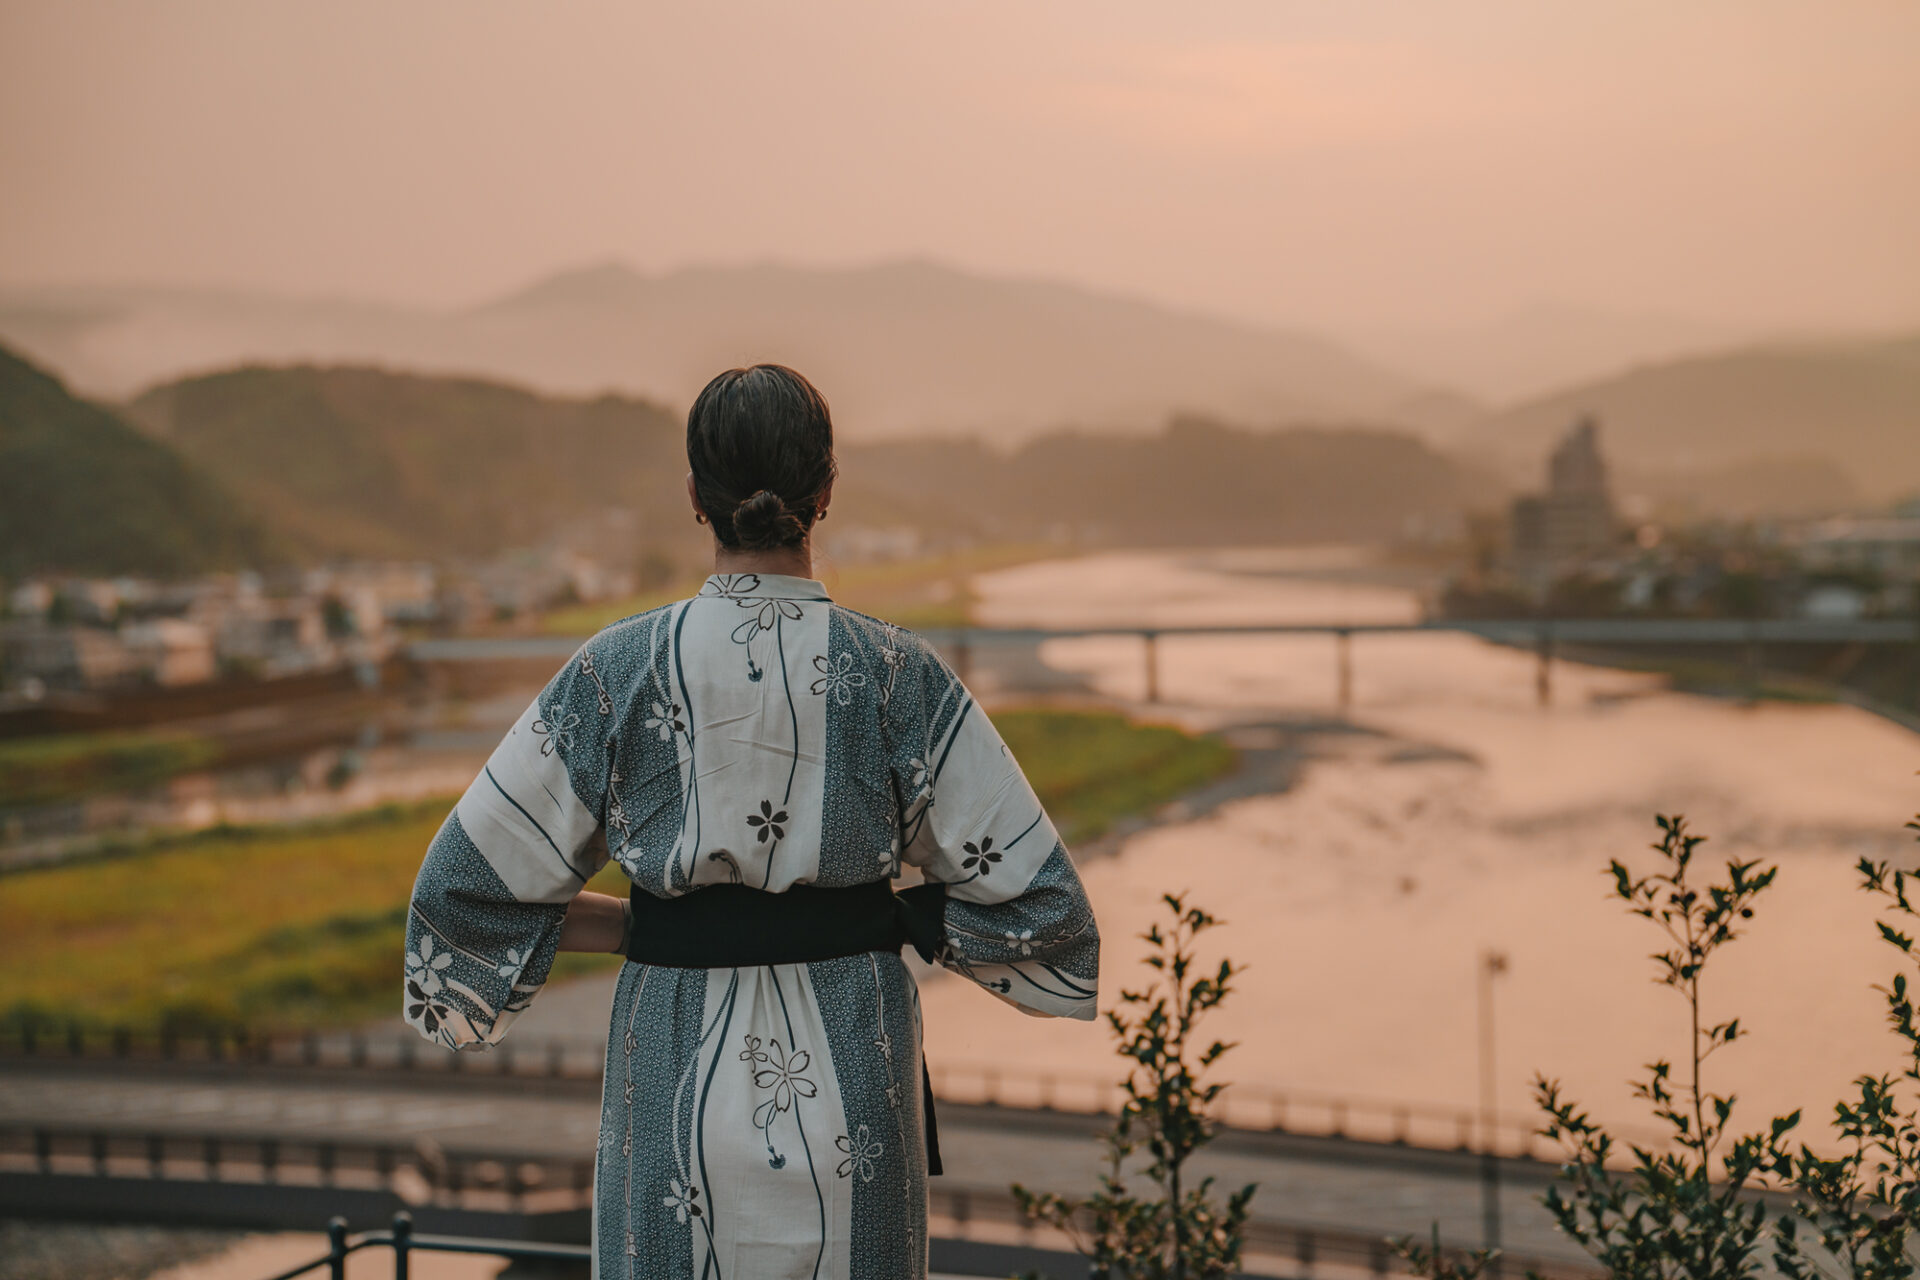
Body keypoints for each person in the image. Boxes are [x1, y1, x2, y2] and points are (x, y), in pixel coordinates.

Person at [402, 363, 1100, 1278]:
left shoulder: (617, 670)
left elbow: (460, 894)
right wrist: (896, 918)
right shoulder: (896, 674)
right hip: (856, 1076)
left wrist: (642, 923)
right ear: (827, 490)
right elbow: (1046, 908)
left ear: (695, 496)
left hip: (670, 1089)